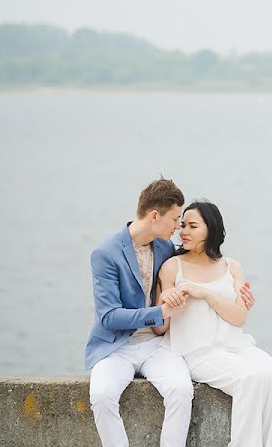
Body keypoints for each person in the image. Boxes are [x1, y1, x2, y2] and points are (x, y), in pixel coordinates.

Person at [85, 179, 255, 447]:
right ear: (155, 216)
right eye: (176, 219)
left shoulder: (165, 249)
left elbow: (203, 263)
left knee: (180, 389)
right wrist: (159, 310)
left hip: (159, 344)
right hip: (115, 347)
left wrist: (238, 295)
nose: (179, 228)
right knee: (102, 395)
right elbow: (109, 317)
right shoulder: (105, 253)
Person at [152, 200, 272, 447]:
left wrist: (206, 294)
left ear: (211, 229)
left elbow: (239, 317)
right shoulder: (172, 267)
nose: (183, 231)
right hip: (196, 350)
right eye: (182, 225)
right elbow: (160, 326)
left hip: (237, 345)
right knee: (250, 380)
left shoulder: (232, 266)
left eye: (192, 226)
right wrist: (165, 300)